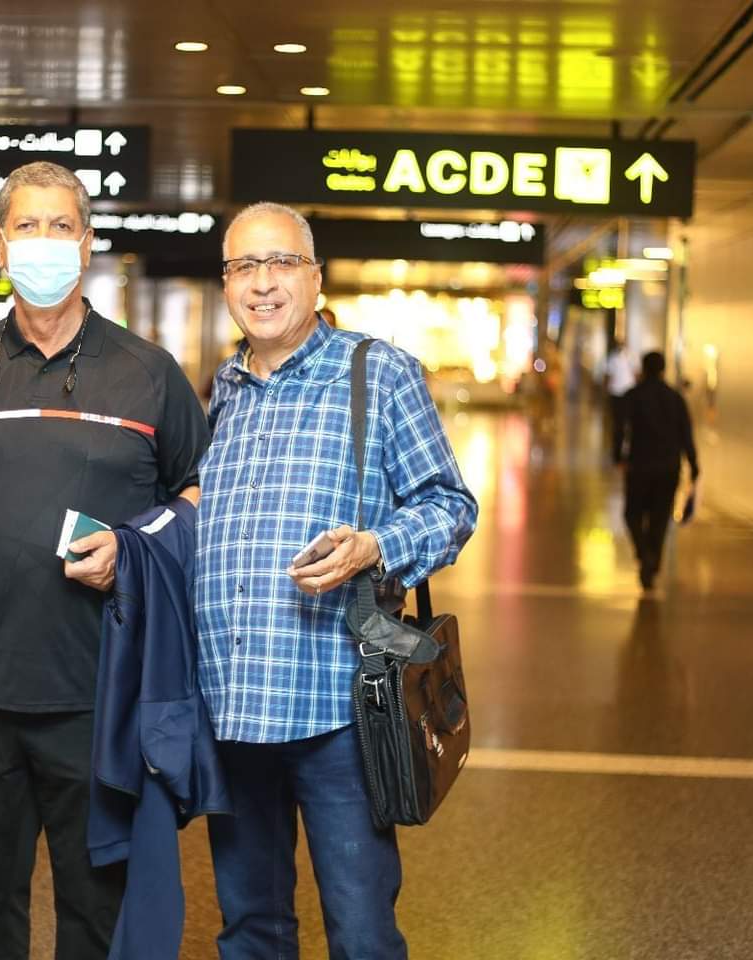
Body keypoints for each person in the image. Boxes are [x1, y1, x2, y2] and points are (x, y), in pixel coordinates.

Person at [0, 161, 209, 960]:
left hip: (100, 692)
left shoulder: (147, 373)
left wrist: (135, 549)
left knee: (95, 907)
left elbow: (200, 493)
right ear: (0, 244)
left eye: (61, 226)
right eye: (27, 225)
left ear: (87, 244)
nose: (43, 241)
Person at [195, 202, 478, 959]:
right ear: (226, 284)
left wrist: (375, 546)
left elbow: (451, 506)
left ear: (316, 278)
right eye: (243, 266)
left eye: (281, 263)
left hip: (339, 711)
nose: (262, 283)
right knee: (249, 929)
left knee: (360, 932)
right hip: (234, 706)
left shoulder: (375, 372)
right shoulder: (224, 388)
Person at [613, 350, 699, 591]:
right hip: (668, 467)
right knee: (659, 517)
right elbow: (686, 434)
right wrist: (693, 464)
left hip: (639, 466)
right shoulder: (675, 399)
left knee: (632, 514)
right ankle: (653, 559)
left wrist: (618, 456)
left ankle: (644, 554)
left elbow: (620, 429)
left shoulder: (633, 396)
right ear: (663, 369)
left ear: (643, 368)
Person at [604, 344, 637, 439]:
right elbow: (608, 375)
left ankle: (622, 436)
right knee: (618, 419)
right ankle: (618, 437)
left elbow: (635, 374)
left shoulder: (631, 357)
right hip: (616, 392)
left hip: (627, 392)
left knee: (624, 418)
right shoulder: (613, 358)